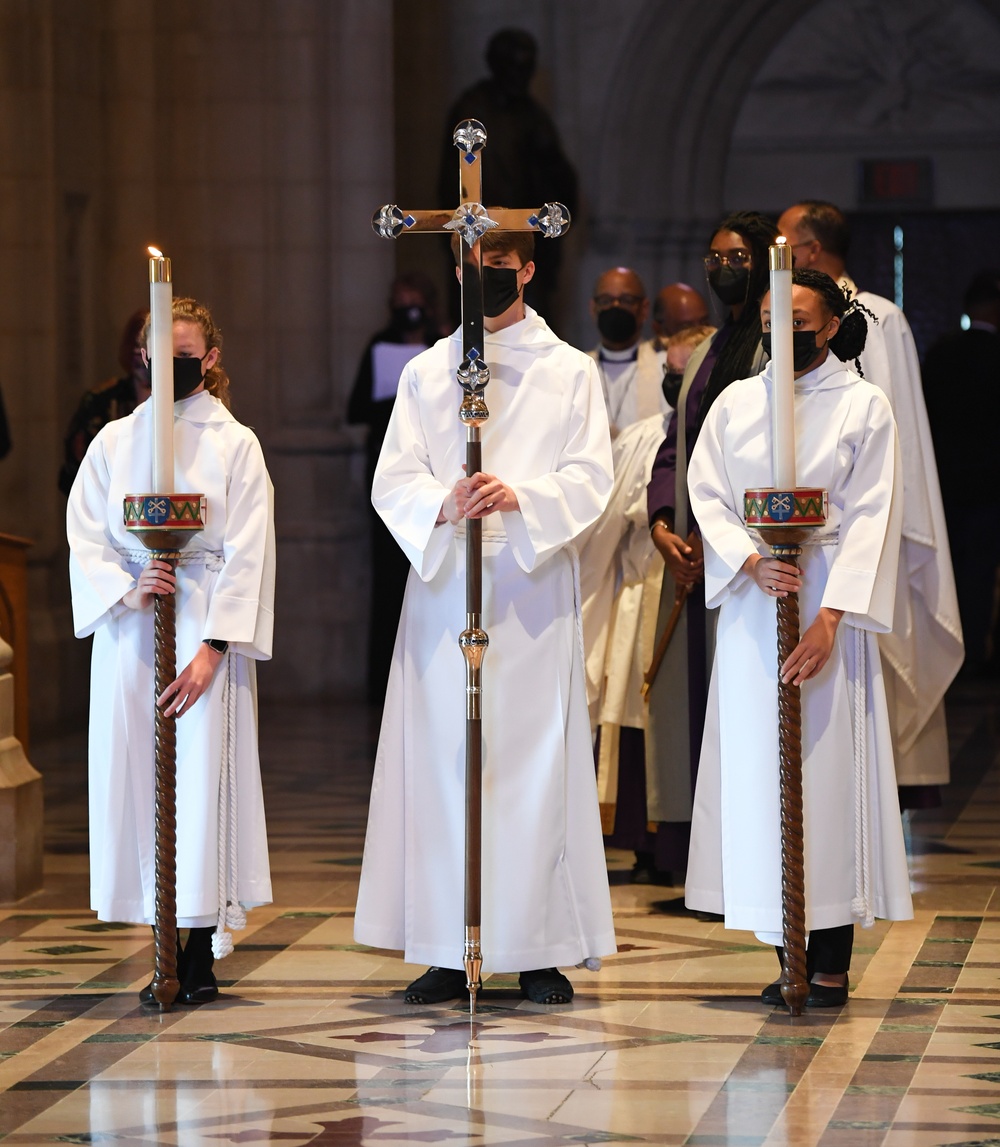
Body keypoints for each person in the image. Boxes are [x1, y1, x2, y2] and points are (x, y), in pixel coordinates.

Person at [353, 228, 616, 1006]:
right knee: (443, 762)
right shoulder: (428, 370)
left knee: (531, 766)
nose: (483, 278)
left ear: (528, 270)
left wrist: (522, 497)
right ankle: (444, 943)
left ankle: (537, 947)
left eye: (498, 267)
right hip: (445, 583)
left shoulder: (568, 371)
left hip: (527, 584)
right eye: (471, 266)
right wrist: (443, 502)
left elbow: (591, 475)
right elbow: (392, 475)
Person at [685, 268, 913, 1007]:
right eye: (773, 319)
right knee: (765, 775)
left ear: (831, 322)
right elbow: (707, 492)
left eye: (803, 319)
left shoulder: (863, 406)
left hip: (827, 607)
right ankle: (786, 945)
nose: (788, 332)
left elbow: (874, 514)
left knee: (828, 775)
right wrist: (750, 560)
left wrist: (831, 616)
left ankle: (831, 957)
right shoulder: (735, 405)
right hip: (759, 606)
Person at [67, 296, 275, 1006]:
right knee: (142, 776)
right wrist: (129, 586)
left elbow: (249, 550)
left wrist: (215, 647)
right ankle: (158, 932)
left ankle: (197, 945)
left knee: (200, 783)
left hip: (202, 632)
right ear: (143, 358)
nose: (172, 365)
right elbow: (85, 535)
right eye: (160, 353)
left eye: (187, 353)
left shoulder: (234, 444)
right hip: (134, 633)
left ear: (210, 360)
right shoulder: (114, 443)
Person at [778, 200, 962, 806]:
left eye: (782, 243)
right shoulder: (775, 317)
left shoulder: (876, 319)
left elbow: (897, 427)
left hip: (859, 523)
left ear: (808, 252)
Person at [644, 211, 777, 879]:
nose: (719, 267)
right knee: (693, 705)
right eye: (712, 256)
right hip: (694, 550)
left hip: (750, 554)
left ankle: (754, 852)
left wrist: (720, 525)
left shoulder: (777, 345)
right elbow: (678, 444)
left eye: (733, 256)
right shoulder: (707, 350)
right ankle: (702, 856)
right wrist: (664, 521)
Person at [578, 322, 715, 884]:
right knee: (637, 718)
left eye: (685, 374)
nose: (674, 382)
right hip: (642, 593)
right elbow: (603, 531)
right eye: (669, 372)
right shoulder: (639, 440)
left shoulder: (718, 436)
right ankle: (647, 842)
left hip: (708, 599)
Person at [347, 272, 447, 702]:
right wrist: (391, 400)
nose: (409, 307)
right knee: (389, 580)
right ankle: (383, 681)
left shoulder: (444, 348)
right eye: (401, 299)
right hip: (393, 476)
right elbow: (355, 409)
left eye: (415, 298)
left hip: (440, 478)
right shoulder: (379, 344)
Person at [440, 28, 578, 326]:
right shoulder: (472, 111)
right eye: (514, 66)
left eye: (526, 68)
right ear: (497, 64)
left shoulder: (534, 116)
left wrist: (548, 158)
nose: (520, 76)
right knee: (474, 326)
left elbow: (562, 185)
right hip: (477, 239)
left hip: (522, 238)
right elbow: (449, 186)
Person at [923, 269, 1000, 674]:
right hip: (989, 485)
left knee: (949, 570)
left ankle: (949, 659)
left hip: (947, 481)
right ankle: (980, 658)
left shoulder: (941, 352)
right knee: (982, 573)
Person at [59, 310, 151, 495]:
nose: (143, 360)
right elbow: (75, 471)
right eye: (137, 347)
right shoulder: (102, 401)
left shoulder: (185, 402)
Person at [586, 266, 669, 439]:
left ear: (644, 308)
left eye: (626, 300)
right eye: (606, 300)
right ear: (593, 308)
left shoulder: (665, 367)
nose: (615, 307)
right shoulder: (578, 367)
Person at [651, 283, 710, 351]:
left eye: (704, 323)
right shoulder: (644, 360)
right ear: (658, 330)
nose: (699, 334)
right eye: (687, 328)